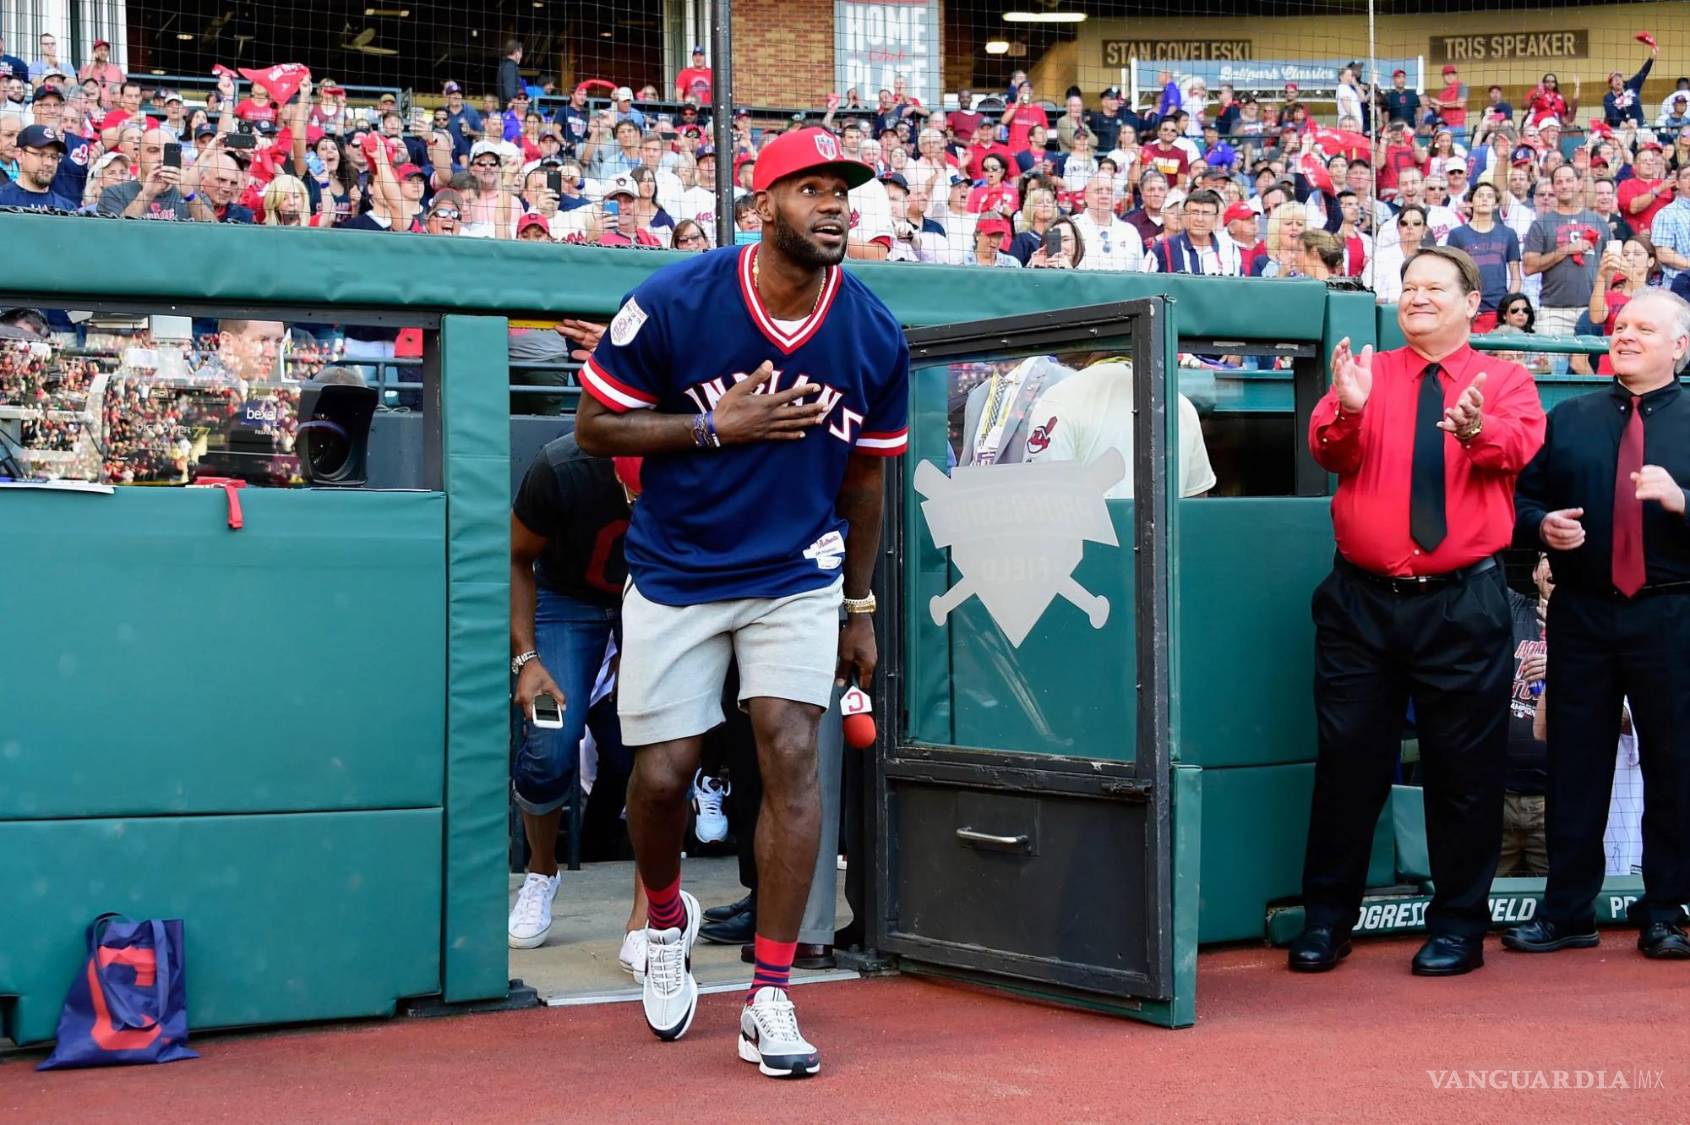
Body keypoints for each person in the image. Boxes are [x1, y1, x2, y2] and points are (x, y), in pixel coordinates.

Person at [572, 126, 908, 1076]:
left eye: (842, 191)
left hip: (796, 571)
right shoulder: (677, 297)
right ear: (762, 208)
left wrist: (859, 606)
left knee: (791, 754)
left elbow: (867, 484)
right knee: (663, 775)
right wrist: (713, 425)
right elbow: (594, 427)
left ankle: (769, 994)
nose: (833, 205)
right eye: (811, 189)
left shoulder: (872, 329)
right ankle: (665, 916)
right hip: (677, 567)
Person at [1291, 246, 1546, 977]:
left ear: (1472, 302)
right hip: (1361, 603)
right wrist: (1349, 408)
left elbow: (1517, 448)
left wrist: (1473, 430)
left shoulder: (1506, 380)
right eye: (1408, 286)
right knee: (1347, 764)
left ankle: (1459, 926)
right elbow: (1328, 452)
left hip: (1462, 604)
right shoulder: (1367, 371)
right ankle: (1327, 920)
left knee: (1464, 771)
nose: (1417, 296)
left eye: (1435, 286)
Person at [1505, 289, 1690, 960]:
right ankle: (1566, 912)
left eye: (1645, 328)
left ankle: (1665, 911)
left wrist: (1683, 500)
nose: (1626, 335)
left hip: (1673, 610)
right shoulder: (1570, 418)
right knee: (1575, 764)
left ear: (1680, 347)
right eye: (1621, 325)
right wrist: (1541, 527)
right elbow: (1521, 502)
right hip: (1583, 611)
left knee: (1675, 763)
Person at [507, 430, 636, 950]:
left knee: (658, 746)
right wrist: (526, 658)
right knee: (550, 743)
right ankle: (541, 872)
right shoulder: (560, 467)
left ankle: (652, 911)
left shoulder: (687, 451)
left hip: (652, 593)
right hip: (564, 601)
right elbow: (516, 559)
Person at [1024, 355, 1215, 498]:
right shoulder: (1180, 404)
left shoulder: (1060, 398)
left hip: (1088, 541)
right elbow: (1196, 503)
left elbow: (1041, 505)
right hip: (1162, 541)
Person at [1500, 552, 1552, 877]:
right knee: (1483, 897)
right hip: (1498, 796)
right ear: (1534, 573)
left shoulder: (1591, 630)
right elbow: (1481, 570)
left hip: (1554, 803)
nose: (1555, 565)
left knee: (1559, 898)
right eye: (1548, 558)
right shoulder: (1514, 610)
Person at [1524, 164, 1609, 336]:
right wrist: (1567, 250)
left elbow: (1609, 266)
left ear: (1580, 184)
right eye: (1559, 182)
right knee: (1547, 354)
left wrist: (1605, 300)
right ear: (1553, 187)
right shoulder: (1541, 224)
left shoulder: (1598, 222)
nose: (1564, 186)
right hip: (1554, 312)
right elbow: (1529, 267)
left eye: (1569, 180)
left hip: (1592, 310)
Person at [1446, 183, 1523, 331]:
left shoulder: (1508, 234)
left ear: (1496, 204)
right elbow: (1451, 274)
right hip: (1468, 309)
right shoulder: (1457, 234)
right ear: (1470, 202)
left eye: (1489, 196)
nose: (1485, 199)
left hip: (1499, 310)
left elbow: (1516, 276)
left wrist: (1508, 304)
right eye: (1480, 196)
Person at [0, 124, 74, 210]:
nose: (49, 163)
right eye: (40, 155)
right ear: (19, 155)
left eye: (54, 157)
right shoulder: (2, 200)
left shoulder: (68, 209)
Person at [1603, 43, 1658, 129]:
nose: (1617, 80)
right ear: (1610, 84)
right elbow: (1612, 114)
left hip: (1641, 126)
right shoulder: (1608, 97)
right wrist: (1626, 125)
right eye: (1614, 79)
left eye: (1619, 77)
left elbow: (1643, 73)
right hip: (1622, 128)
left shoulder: (1631, 85)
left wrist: (1652, 57)